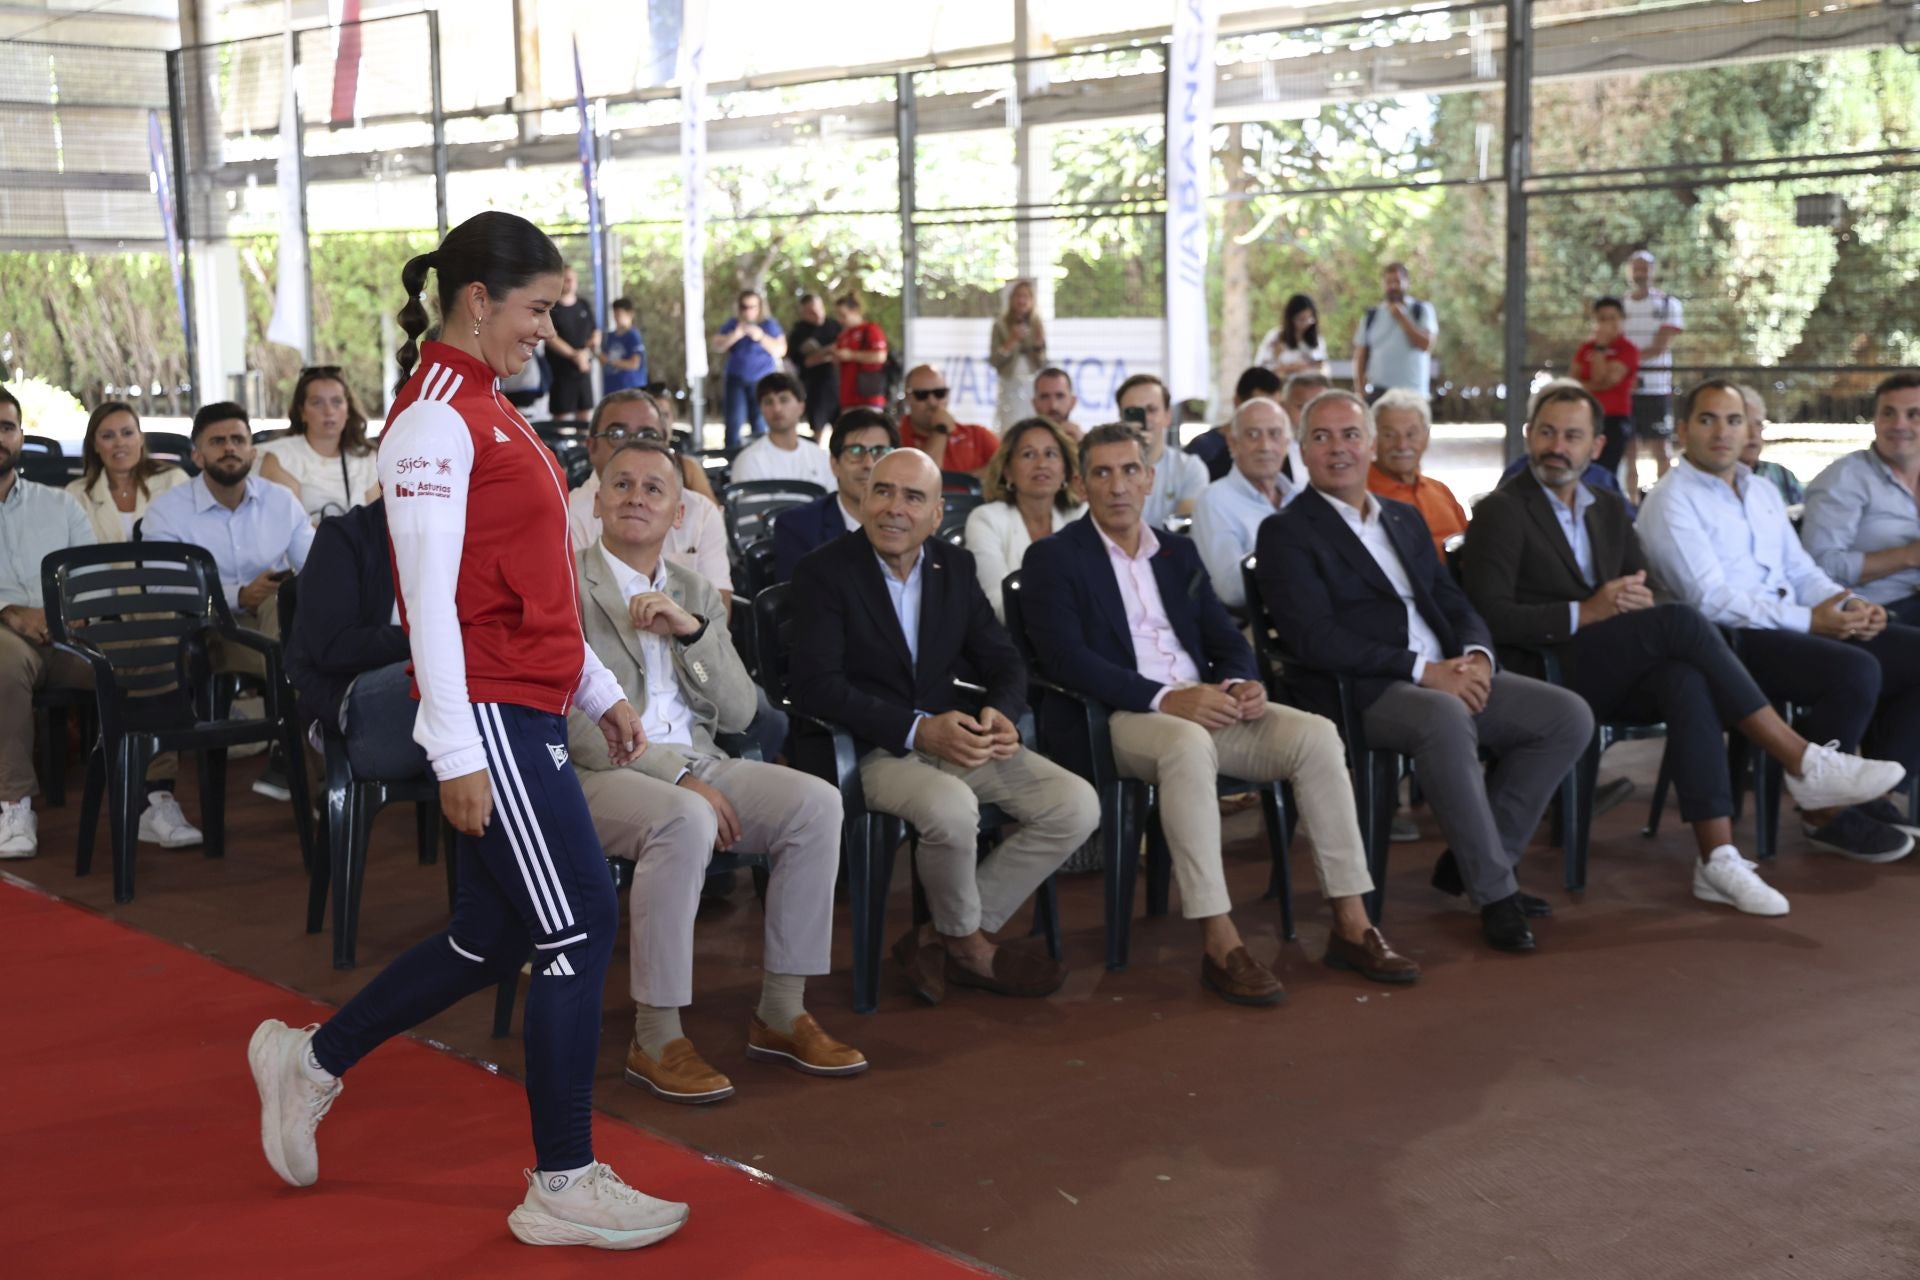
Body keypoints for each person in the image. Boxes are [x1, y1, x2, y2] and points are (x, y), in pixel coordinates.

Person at [245, 210, 686, 1251]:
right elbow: (429, 603)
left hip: (523, 700)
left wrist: (594, 687)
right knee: (578, 925)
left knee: (493, 934)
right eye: (537, 309)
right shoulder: (435, 418)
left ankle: (311, 1060)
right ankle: (562, 1180)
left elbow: (528, 578)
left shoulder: (487, 405)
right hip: (487, 713)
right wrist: (454, 752)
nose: (548, 330)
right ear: (478, 300)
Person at [1462, 384, 1907, 912]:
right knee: (1684, 620)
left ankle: (1717, 858)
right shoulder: (1502, 509)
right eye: (1547, 433)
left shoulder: (1608, 507)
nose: (1557, 446)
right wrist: (1587, 611)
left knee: (1686, 679)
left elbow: (1641, 585)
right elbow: (1491, 616)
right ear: (1528, 436)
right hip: (1545, 669)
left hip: (1612, 660)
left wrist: (1633, 600)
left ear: (1596, 446)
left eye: (1572, 436)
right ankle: (1802, 761)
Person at [1023, 424, 1417, 1001]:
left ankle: (1352, 923)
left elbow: (1225, 636)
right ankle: (1220, 939)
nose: (1118, 486)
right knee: (1185, 745)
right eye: (1102, 473)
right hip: (1119, 717)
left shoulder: (1176, 552)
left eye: (1130, 470)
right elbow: (1065, 659)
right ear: (1080, 485)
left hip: (1204, 706)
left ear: (1149, 478)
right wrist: (1164, 698)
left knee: (1316, 736)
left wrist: (1241, 680)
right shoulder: (1053, 558)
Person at [573, 442, 861, 1105]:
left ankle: (782, 1011)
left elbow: (739, 712)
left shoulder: (694, 588)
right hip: (599, 771)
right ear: (598, 502)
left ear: (678, 514)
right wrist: (679, 780)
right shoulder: (567, 582)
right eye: (622, 485)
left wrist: (692, 631)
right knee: (685, 817)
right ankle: (656, 1035)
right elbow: (573, 726)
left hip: (700, 759)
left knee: (817, 803)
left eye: (654, 488)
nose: (636, 497)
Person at [1257, 390, 1593, 954]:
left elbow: (1452, 600)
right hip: (1363, 690)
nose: (1338, 448)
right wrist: (1423, 670)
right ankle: (1495, 893)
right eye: (1321, 437)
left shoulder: (1403, 518)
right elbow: (1315, 638)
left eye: (1350, 435)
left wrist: (1477, 656)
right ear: (1303, 451)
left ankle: (1476, 861)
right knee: (1443, 717)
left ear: (1370, 446)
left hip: (1446, 673)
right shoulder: (1287, 532)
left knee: (1566, 716)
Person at [789, 448, 1098, 1005]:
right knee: (952, 809)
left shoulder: (952, 567)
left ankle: (941, 935)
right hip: (867, 748)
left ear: (936, 515)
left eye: (913, 497)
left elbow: (1003, 659)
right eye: (883, 491)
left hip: (952, 739)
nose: (894, 508)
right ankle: (971, 949)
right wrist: (916, 730)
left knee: (1075, 805)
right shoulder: (823, 571)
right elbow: (817, 687)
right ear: (863, 498)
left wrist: (1001, 712)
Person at [1637, 379, 1920, 861]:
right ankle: (1823, 813)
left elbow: (1801, 570)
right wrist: (1809, 621)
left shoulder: (1760, 490)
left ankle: (1871, 791)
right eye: (1707, 420)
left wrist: (1848, 605)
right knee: (1853, 671)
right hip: (1728, 643)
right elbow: (1710, 600)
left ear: (1748, 428)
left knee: (1913, 654)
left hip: (1791, 624)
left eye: (1733, 420)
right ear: (1683, 430)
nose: (1722, 433)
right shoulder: (1671, 500)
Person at [0, 389, 201, 857]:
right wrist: (9, 612)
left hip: (70, 635)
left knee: (146, 648)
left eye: (6, 427)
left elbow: (90, 576)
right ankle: (13, 804)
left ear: (21, 436)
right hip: (7, 636)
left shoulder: (59, 505)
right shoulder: (78, 495)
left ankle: (155, 798)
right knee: (4, 663)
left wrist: (68, 614)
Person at [143, 402, 314, 675]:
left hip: (275, 615)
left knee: (284, 604)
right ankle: (292, 684)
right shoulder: (167, 511)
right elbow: (162, 588)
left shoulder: (281, 501)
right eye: (217, 441)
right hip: (209, 624)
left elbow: (314, 567)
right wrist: (240, 596)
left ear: (253, 453)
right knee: (288, 656)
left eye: (238, 440)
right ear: (197, 457)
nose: (229, 448)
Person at [285, 497, 428, 783]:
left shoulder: (468, 531)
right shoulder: (344, 535)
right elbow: (334, 645)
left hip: (433, 693)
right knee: (448, 679)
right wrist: (430, 640)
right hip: (351, 704)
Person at [568, 390, 730, 602]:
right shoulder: (567, 513)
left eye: (649, 436)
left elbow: (718, 607)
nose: (633, 444)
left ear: (666, 444)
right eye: (617, 434)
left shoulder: (700, 511)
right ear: (591, 447)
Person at [1802, 372, 1920, 627]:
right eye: (1888, 413)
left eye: (1914, 414)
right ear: (1875, 420)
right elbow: (1818, 566)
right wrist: (1909, 556)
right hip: (1874, 612)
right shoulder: (1843, 479)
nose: (1899, 424)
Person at [963, 416, 1083, 620]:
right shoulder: (985, 519)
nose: (1041, 464)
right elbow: (997, 602)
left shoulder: (1080, 516)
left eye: (1051, 454)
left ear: (1065, 470)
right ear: (1008, 471)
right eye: (1028, 454)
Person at [1191, 397, 1299, 609]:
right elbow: (1233, 591)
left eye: (1274, 434)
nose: (1265, 446)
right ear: (1233, 444)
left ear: (1287, 444)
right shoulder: (1215, 501)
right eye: (1253, 435)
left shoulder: (1299, 497)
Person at [771, 408, 896, 584]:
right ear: (834, 464)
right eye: (855, 451)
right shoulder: (797, 527)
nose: (869, 463)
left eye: (880, 452)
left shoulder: (910, 523)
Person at [259, 366, 381, 523]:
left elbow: (374, 524)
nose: (329, 411)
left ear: (348, 410)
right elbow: (289, 526)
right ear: (302, 412)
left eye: (337, 402)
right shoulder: (281, 457)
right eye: (317, 403)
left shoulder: (367, 458)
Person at [65, 399, 192, 544]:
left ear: (141, 438)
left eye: (127, 433)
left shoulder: (175, 481)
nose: (119, 443)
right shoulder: (77, 494)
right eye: (107, 436)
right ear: (95, 445)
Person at [1365, 389, 1467, 564]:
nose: (1402, 445)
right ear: (1372, 439)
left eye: (1411, 434)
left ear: (1426, 437)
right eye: (1389, 435)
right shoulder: (1361, 496)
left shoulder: (1440, 491)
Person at [1620, 249, 1685, 484]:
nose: (1640, 273)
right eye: (1636, 268)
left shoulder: (1668, 305)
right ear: (1629, 271)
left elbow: (1659, 347)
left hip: (1656, 388)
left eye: (1645, 268)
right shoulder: (1619, 306)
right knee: (1628, 453)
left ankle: (1664, 497)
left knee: (1662, 450)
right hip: (1625, 390)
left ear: (1653, 271)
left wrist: (1624, 362)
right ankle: (1631, 499)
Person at [1115, 373, 1208, 527]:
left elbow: (1181, 531)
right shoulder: (1106, 469)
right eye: (1134, 412)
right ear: (1121, 418)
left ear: (1167, 416)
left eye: (1151, 410)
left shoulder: (1189, 468)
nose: (1145, 420)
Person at [727, 372, 835, 488]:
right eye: (768, 402)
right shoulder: (749, 461)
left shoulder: (821, 458)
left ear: (801, 407)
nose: (777, 409)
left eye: (784, 400)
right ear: (761, 409)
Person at [1573, 297, 1641, 481]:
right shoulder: (1585, 348)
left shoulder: (1627, 349)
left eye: (1612, 318)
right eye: (1602, 319)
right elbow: (1573, 381)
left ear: (1622, 319)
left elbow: (1604, 380)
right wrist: (1592, 385)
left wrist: (1601, 348)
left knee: (1604, 472)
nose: (1607, 324)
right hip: (1585, 417)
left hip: (1613, 419)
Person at [712, 290, 787, 449]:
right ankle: (732, 459)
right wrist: (736, 334)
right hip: (736, 379)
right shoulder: (733, 324)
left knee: (760, 423)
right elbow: (717, 345)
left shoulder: (768, 325)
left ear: (760, 307)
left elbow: (781, 350)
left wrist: (761, 337)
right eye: (744, 307)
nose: (748, 311)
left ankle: (761, 458)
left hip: (762, 380)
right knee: (734, 423)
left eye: (753, 307)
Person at [1352, 262, 1436, 400]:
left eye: (1397, 281)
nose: (1393, 286)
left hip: (1413, 391)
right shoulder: (1372, 315)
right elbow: (1361, 355)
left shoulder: (1421, 310)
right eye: (1389, 282)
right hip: (1379, 391)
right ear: (1383, 284)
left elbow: (1425, 344)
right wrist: (1361, 390)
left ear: (1406, 282)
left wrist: (1402, 318)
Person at [899, 364, 999, 479]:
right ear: (908, 397)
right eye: (921, 395)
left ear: (948, 395)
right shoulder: (895, 437)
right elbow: (924, 478)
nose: (932, 402)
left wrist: (958, 480)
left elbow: (1007, 470)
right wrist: (940, 430)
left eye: (939, 393)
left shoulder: (978, 436)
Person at [1188, 366, 1282, 483]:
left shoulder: (1280, 451)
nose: (1267, 417)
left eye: (1275, 409)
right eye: (1258, 408)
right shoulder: (1203, 448)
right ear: (1237, 401)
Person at [989, 279, 1048, 431]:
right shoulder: (1000, 325)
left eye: (1026, 296)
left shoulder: (1037, 324)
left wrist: (1038, 346)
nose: (1022, 300)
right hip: (1009, 384)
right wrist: (1011, 341)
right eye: (1018, 296)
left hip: (1032, 385)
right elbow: (994, 360)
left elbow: (1042, 363)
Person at [543, 265, 599, 423]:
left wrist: (585, 353)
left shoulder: (583, 304)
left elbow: (595, 332)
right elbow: (551, 338)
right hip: (561, 372)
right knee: (561, 418)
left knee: (585, 415)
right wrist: (574, 355)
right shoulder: (552, 307)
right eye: (567, 279)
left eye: (573, 279)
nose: (571, 283)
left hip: (583, 369)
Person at [1737, 384, 1804, 507]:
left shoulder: (1781, 474)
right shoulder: (1715, 478)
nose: (1753, 434)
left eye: (1758, 425)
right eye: (1743, 424)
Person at [787, 292, 841, 429]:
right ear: (803, 313)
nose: (817, 314)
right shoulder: (798, 332)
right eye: (811, 312)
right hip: (813, 387)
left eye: (819, 309)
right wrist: (826, 353)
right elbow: (803, 362)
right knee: (817, 426)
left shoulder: (835, 326)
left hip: (838, 385)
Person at [828, 294, 888, 412]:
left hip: (868, 397)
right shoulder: (843, 336)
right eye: (838, 316)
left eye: (843, 315)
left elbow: (880, 356)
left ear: (855, 311)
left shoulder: (870, 329)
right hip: (847, 398)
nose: (840, 320)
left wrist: (851, 355)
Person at [1254, 293, 1330, 379]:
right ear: (1291, 319)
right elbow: (1261, 368)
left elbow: (1324, 368)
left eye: (1309, 319)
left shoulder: (1317, 338)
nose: (1305, 324)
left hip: (1310, 384)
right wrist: (1289, 368)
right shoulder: (1276, 337)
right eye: (1301, 319)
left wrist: (1310, 367)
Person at [592, 297, 648, 394]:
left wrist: (610, 361)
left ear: (630, 314)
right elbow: (603, 361)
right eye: (615, 314)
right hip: (611, 388)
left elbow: (634, 364)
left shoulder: (633, 335)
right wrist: (594, 349)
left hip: (629, 387)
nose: (616, 318)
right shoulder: (609, 336)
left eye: (619, 314)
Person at [1030, 366, 1082, 442]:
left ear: (1073, 402)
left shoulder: (1085, 443)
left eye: (1060, 396)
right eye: (1045, 397)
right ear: (1034, 403)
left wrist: (1082, 445)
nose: (1053, 405)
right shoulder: (1019, 443)